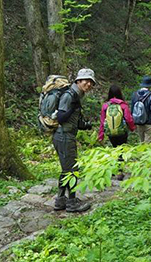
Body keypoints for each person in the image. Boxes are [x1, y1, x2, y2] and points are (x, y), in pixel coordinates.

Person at [53, 68, 95, 213]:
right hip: (64, 136)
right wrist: (72, 109)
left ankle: (60, 200)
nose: (88, 84)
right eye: (86, 81)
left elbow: (72, 120)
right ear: (78, 81)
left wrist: (85, 125)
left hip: (66, 135)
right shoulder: (69, 95)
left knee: (66, 170)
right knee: (72, 171)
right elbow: (61, 118)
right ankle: (71, 202)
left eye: (91, 82)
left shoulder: (76, 95)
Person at [98, 85, 135, 180]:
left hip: (111, 132)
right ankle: (120, 171)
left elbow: (102, 121)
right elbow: (128, 118)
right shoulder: (123, 105)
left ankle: (114, 169)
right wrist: (132, 128)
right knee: (121, 150)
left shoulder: (105, 105)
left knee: (114, 149)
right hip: (122, 132)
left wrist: (101, 135)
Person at [131, 76, 151, 143]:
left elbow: (132, 109)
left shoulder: (134, 95)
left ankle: (140, 153)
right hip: (149, 123)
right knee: (148, 144)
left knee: (141, 142)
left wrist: (133, 122)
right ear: (150, 85)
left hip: (138, 122)